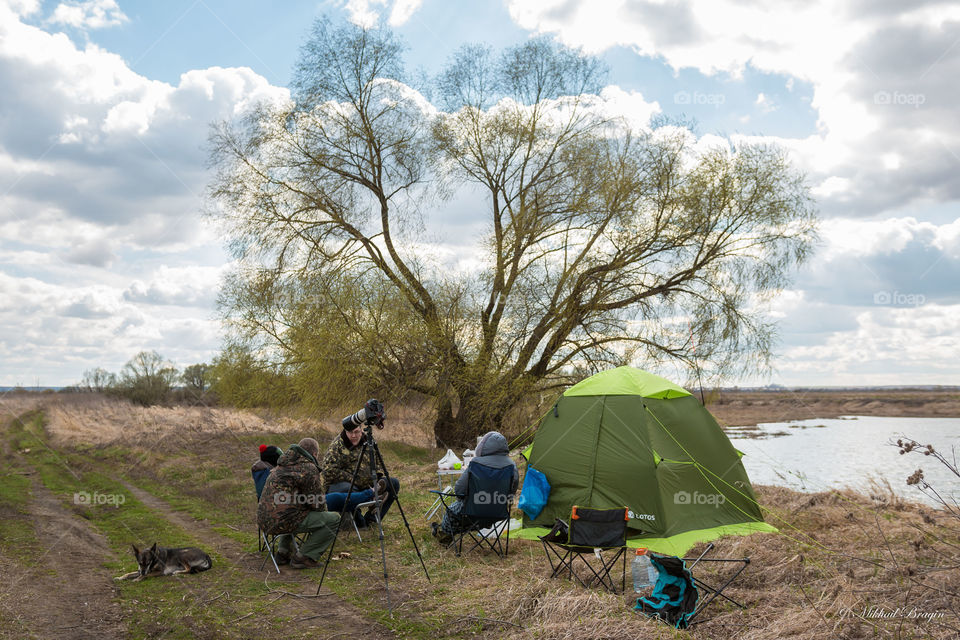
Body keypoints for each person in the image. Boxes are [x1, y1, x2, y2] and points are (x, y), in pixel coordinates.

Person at [257, 437, 340, 569]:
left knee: (291, 511)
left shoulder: (282, 464)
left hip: (263, 521)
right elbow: (317, 501)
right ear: (314, 454)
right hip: (283, 522)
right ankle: (304, 556)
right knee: (334, 519)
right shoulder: (308, 468)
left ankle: (283, 552)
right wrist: (322, 516)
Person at [432, 431, 518, 544]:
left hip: (471, 512)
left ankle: (444, 534)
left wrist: (465, 499)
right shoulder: (511, 466)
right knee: (470, 513)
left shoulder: (476, 464)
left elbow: (459, 490)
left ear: (484, 446)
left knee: (452, 511)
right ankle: (446, 531)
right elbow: (512, 492)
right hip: (498, 513)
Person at [321, 419, 400, 529]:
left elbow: (379, 462)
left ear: (362, 430)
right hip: (344, 487)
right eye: (350, 432)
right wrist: (354, 479)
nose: (354, 435)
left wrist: (377, 478)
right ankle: (359, 521)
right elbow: (328, 471)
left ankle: (371, 520)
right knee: (348, 489)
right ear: (345, 431)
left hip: (366, 485)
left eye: (357, 432)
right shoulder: (337, 445)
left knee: (393, 483)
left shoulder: (369, 441)